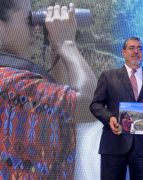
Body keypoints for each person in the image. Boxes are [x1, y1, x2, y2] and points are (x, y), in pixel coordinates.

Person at [0, 1, 97, 179]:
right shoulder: (11, 83)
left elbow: (62, 106)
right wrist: (67, 43)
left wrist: (56, 48)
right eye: (28, 19)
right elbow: (89, 105)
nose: (35, 28)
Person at [90, 37, 143, 180]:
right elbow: (96, 105)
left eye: (140, 48)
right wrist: (109, 118)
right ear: (123, 52)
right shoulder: (108, 76)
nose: (136, 51)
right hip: (114, 143)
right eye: (132, 48)